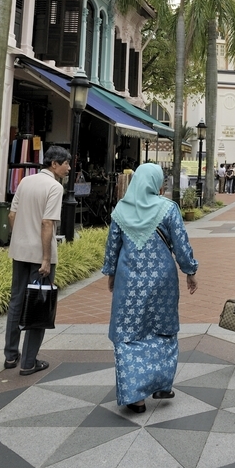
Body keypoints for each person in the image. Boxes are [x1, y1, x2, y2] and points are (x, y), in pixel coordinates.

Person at [102, 162, 199, 414]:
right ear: (156, 182)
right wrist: (190, 270)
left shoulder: (121, 210)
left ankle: (136, 397)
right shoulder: (168, 208)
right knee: (162, 328)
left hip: (128, 282)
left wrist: (111, 274)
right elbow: (181, 243)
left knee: (129, 332)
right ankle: (161, 384)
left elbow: (112, 247)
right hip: (162, 282)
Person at [4, 144, 69, 375]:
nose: (68, 168)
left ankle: (10, 356)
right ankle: (29, 362)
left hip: (20, 250)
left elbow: (12, 214)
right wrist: (46, 258)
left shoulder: (25, 181)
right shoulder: (54, 187)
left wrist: (20, 237)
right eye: (66, 163)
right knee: (38, 304)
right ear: (54, 164)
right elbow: (47, 222)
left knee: (17, 301)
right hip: (40, 254)